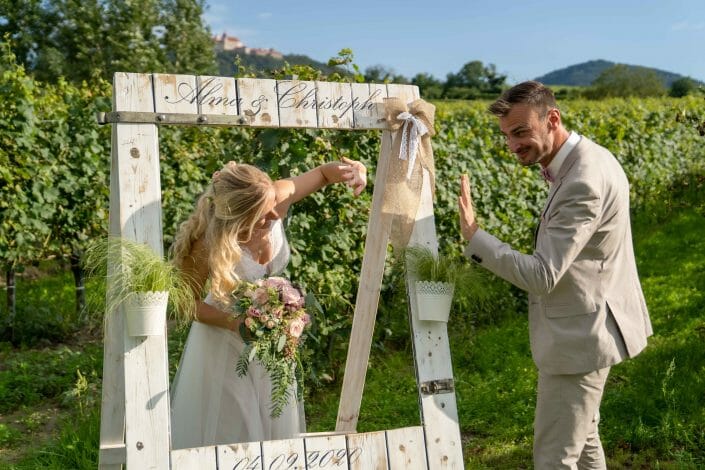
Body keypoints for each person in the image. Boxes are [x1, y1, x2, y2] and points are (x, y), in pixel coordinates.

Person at [458, 81, 652, 469]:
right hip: (590, 325)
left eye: (520, 132)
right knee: (583, 444)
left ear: (552, 119)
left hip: (580, 340)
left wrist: (475, 237)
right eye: (507, 136)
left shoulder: (582, 179)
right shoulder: (590, 157)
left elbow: (543, 274)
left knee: (554, 458)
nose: (513, 145)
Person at [169, 157, 367, 449]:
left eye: (275, 204)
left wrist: (355, 171)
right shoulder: (208, 240)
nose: (276, 214)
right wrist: (239, 324)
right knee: (236, 432)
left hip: (271, 344)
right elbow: (185, 303)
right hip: (223, 345)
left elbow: (325, 173)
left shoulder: (277, 196)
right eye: (264, 214)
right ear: (238, 216)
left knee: (274, 427)